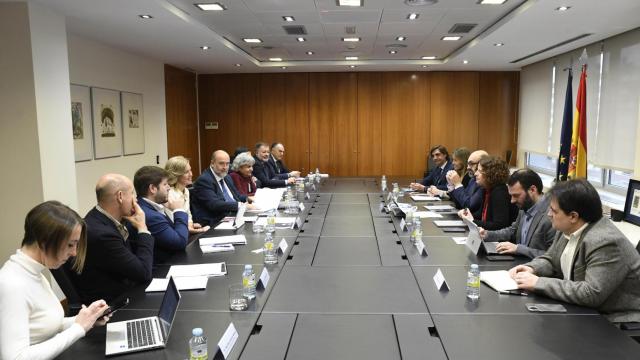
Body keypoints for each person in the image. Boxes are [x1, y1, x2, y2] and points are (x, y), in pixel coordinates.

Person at [509, 179, 640, 322]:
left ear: (573, 216)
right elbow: (551, 259)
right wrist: (531, 269)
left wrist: (538, 282)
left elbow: (591, 293)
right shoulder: (566, 228)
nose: (549, 215)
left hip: (615, 321)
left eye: (553, 211)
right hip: (582, 310)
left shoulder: (605, 242)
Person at [0, 201, 110, 359]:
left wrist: (87, 319)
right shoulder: (11, 284)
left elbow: (46, 327)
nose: (74, 253)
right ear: (44, 241)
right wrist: (78, 329)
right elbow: (16, 357)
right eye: (71, 245)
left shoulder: (34, 273)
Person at [68, 174, 154, 304]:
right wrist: (143, 228)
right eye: (132, 194)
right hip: (112, 304)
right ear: (120, 196)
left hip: (121, 291)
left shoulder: (96, 217)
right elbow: (143, 273)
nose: (135, 200)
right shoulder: (103, 235)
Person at [478, 169, 555, 258]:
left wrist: (519, 249)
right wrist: (487, 234)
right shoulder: (525, 206)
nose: (512, 201)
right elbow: (512, 231)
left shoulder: (552, 215)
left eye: (516, 195)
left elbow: (552, 257)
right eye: (511, 196)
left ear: (532, 190)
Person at [134, 166, 189, 264]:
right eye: (165, 184)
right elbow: (180, 242)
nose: (169, 188)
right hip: (162, 268)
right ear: (152, 188)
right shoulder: (149, 215)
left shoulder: (150, 206)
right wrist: (178, 210)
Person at [191, 150, 256, 226]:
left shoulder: (226, 177)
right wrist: (242, 206)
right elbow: (214, 204)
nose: (225, 167)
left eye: (227, 164)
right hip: (216, 221)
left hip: (234, 215)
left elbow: (237, 196)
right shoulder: (204, 180)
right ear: (212, 163)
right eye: (221, 163)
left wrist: (248, 198)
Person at [458, 155, 517, 230]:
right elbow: (480, 215)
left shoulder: (500, 193)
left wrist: (471, 221)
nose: (475, 174)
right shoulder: (486, 189)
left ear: (490, 174)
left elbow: (499, 225)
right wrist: (465, 215)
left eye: (479, 171)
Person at [165, 156, 209, 234]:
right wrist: (195, 230)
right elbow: (174, 222)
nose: (191, 174)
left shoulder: (186, 191)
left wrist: (190, 224)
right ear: (176, 175)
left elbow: (188, 214)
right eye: (186, 172)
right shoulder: (169, 194)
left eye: (190, 170)